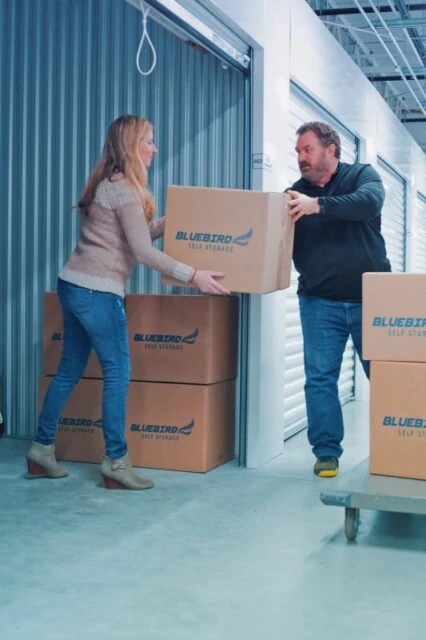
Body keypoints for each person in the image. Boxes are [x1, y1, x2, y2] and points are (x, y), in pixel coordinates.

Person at [27, 114, 229, 490]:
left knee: (70, 369)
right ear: (130, 147)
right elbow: (140, 250)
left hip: (72, 285)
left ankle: (41, 449)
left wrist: (173, 220)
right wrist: (194, 274)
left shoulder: (111, 184)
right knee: (117, 372)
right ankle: (116, 462)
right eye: (148, 141)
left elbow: (134, 235)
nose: (154, 149)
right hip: (97, 292)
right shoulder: (124, 189)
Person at [286, 121, 390, 478]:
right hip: (319, 303)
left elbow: (369, 203)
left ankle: (404, 441)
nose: (300, 157)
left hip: (371, 300)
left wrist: (319, 206)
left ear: (330, 150)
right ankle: (327, 452)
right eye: (298, 151)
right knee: (319, 378)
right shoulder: (293, 195)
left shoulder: (362, 175)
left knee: (389, 376)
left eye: (307, 149)